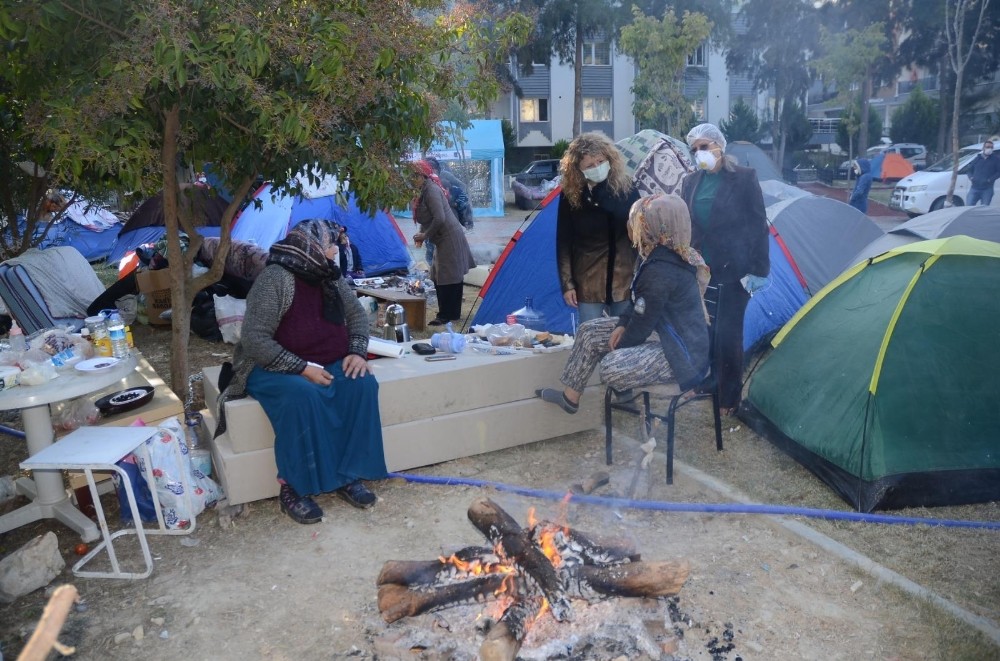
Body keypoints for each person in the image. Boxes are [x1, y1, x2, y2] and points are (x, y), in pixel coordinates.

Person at [213, 219, 387, 524]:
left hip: (325, 361)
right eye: (331, 244)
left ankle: (347, 475)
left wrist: (357, 352)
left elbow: (357, 315)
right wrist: (302, 368)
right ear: (312, 246)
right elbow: (254, 339)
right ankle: (293, 487)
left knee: (361, 384)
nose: (336, 249)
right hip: (272, 365)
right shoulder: (275, 278)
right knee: (303, 396)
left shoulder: (328, 277)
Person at [536, 194, 710, 413]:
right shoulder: (659, 254)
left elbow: (641, 326)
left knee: (611, 366)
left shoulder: (662, 270)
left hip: (682, 355)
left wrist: (621, 345)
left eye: (635, 221)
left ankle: (623, 392)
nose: (630, 226)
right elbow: (638, 302)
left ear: (652, 227)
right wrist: (622, 323)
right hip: (662, 333)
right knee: (589, 331)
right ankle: (570, 398)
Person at [680, 123, 769, 415]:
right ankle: (711, 382)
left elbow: (758, 224)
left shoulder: (744, 178)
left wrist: (759, 270)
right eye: (694, 149)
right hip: (703, 270)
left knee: (729, 335)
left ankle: (729, 397)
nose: (699, 154)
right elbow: (689, 224)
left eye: (704, 147)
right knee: (708, 331)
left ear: (720, 146)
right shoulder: (691, 182)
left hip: (736, 269)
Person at [557, 132, 641, 324]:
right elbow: (563, 241)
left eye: (600, 161)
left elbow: (639, 233)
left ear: (610, 160)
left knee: (622, 339)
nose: (597, 167)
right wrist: (567, 284)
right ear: (578, 169)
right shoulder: (571, 196)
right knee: (589, 337)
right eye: (589, 165)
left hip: (623, 279)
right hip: (588, 281)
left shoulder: (627, 188)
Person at [411, 160, 476, 327]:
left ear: (423, 175)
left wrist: (425, 236)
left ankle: (446, 314)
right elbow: (427, 217)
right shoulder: (422, 191)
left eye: (414, 175)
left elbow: (439, 218)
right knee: (440, 274)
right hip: (441, 237)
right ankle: (450, 313)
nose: (411, 178)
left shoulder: (431, 190)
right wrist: (422, 233)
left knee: (448, 275)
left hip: (449, 235)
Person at [427, 157, 474, 230]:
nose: (432, 171)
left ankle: (468, 225)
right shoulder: (425, 178)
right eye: (429, 169)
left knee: (464, 205)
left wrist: (457, 201)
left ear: (437, 168)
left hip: (450, 202)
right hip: (434, 204)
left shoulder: (446, 175)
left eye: (433, 168)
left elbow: (462, 186)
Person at [967, 139, 1000, 207]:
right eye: (988, 147)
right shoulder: (977, 158)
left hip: (987, 189)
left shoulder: (995, 159)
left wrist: (990, 180)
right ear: (983, 148)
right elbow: (969, 170)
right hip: (974, 188)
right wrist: (971, 177)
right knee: (968, 207)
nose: (989, 149)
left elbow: (998, 172)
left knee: (984, 209)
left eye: (991, 147)